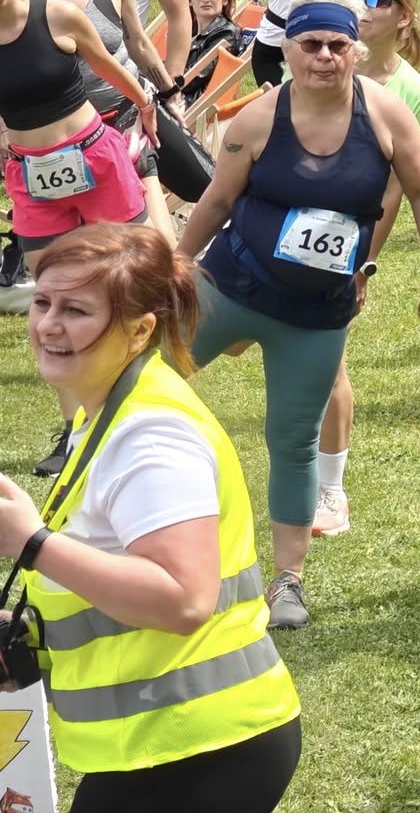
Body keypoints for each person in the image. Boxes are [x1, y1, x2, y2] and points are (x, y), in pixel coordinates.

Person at [0, 225, 303, 811]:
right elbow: (112, 572)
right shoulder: (107, 409)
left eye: (76, 311)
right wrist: (27, 630)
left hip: (201, 748)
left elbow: (183, 600)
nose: (48, 325)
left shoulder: (150, 435)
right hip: (170, 744)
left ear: (140, 330)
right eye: (42, 302)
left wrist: (31, 543)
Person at [180, 0, 420, 631]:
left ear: (355, 51)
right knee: (139, 382)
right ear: (289, 50)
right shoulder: (258, 119)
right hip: (231, 288)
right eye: (311, 45)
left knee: (293, 440)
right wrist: (175, 263)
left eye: (337, 45)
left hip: (316, 313)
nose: (324, 56)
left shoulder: (386, 116)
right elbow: (218, 201)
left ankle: (288, 582)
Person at [307, 0, 420, 541]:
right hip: (280, 227)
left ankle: (331, 491)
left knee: (324, 360)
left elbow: (396, 190)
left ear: (405, 15)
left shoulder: (411, 93)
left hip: (341, 240)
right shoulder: (319, 60)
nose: (362, 4)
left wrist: (360, 265)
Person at [0, 0, 156, 263]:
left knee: (138, 267)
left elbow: (105, 65)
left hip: (93, 156)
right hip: (30, 171)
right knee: (52, 278)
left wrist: (145, 104)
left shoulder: (58, 16)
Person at [179, 0, 240, 106]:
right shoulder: (189, 31)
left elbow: (191, 80)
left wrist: (158, 77)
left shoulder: (226, 33)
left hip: (187, 104)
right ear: (190, 0)